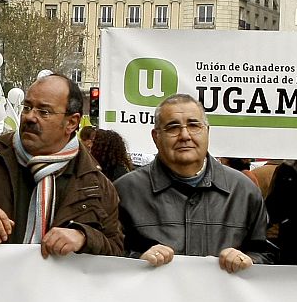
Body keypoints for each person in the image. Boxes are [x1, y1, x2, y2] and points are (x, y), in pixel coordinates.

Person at [0, 74, 122, 257]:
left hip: (57, 294)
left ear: (71, 122)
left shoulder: (96, 183)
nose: (29, 117)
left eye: (44, 111)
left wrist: (84, 237)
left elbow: (116, 250)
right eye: (27, 107)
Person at [115, 94, 272, 272]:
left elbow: (266, 255)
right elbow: (108, 259)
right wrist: (138, 261)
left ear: (207, 131)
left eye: (194, 125)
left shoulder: (243, 191)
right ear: (156, 136)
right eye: (173, 127)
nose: (184, 135)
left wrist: (248, 261)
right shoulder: (125, 191)